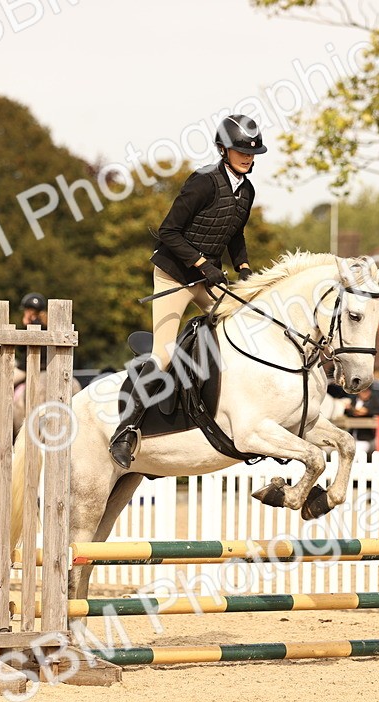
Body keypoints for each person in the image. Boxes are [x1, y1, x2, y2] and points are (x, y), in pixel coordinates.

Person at [108, 114, 267, 468]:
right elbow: (169, 232)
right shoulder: (203, 183)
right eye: (241, 150)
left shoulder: (247, 190)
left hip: (207, 277)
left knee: (243, 329)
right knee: (162, 356)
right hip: (174, 276)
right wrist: (202, 265)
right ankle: (126, 430)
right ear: (224, 149)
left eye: (252, 152)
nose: (248, 157)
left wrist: (243, 268)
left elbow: (235, 234)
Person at [344, 385, 379, 453]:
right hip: (352, 434)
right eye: (362, 392)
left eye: (367, 391)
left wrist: (368, 411)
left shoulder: (373, 401)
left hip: (366, 437)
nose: (365, 393)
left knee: (360, 449)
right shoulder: (354, 401)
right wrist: (350, 410)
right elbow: (348, 414)